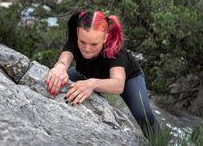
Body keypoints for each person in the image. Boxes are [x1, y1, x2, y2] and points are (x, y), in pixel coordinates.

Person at [46, 10, 159, 138]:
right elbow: (64, 60)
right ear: (78, 32)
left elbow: (118, 84)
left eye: (94, 44)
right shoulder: (75, 38)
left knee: (142, 113)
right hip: (87, 74)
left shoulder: (114, 50)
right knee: (56, 80)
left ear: (105, 37)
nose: (87, 49)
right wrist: (60, 67)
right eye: (82, 42)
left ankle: (157, 140)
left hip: (127, 79)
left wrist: (92, 84)